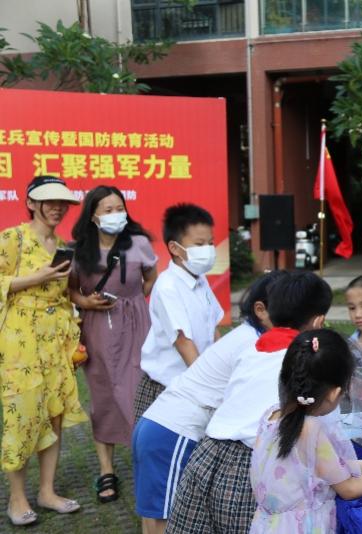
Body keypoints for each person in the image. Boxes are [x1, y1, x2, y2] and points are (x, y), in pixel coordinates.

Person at [165, 272, 332, 534]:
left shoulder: (252, 349)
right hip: (251, 466)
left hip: (207, 454)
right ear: (319, 321)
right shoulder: (304, 362)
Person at [132, 271, 284, 534]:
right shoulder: (255, 344)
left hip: (159, 425)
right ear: (261, 309)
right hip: (174, 433)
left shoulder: (247, 336)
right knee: (166, 522)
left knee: (154, 518)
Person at [249, 329, 362, 534]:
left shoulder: (271, 415)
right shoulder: (310, 429)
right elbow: (348, 488)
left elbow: (324, 468)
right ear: (335, 393)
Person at [0, 176, 87, 525]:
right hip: (19, 341)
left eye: (62, 202)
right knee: (21, 416)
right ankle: (16, 498)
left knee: (54, 414)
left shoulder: (62, 244)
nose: (57, 207)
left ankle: (47, 491)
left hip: (55, 342)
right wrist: (37, 278)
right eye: (49, 201)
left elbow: (63, 294)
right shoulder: (13, 238)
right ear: (31, 203)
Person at [68, 185, 158, 503]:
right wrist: (85, 302)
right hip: (97, 330)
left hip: (137, 326)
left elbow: (151, 277)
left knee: (139, 393)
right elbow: (71, 289)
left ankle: (146, 461)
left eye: (119, 208)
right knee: (104, 397)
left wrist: (133, 301)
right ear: (93, 215)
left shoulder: (138, 243)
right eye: (107, 210)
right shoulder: (79, 250)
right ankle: (106, 470)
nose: (115, 214)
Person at [133, 203, 223, 422]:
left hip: (196, 382)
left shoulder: (200, 280)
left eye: (210, 243)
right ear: (174, 248)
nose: (207, 250)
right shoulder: (168, 286)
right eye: (199, 244)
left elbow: (214, 330)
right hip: (168, 389)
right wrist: (208, 386)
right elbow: (183, 341)